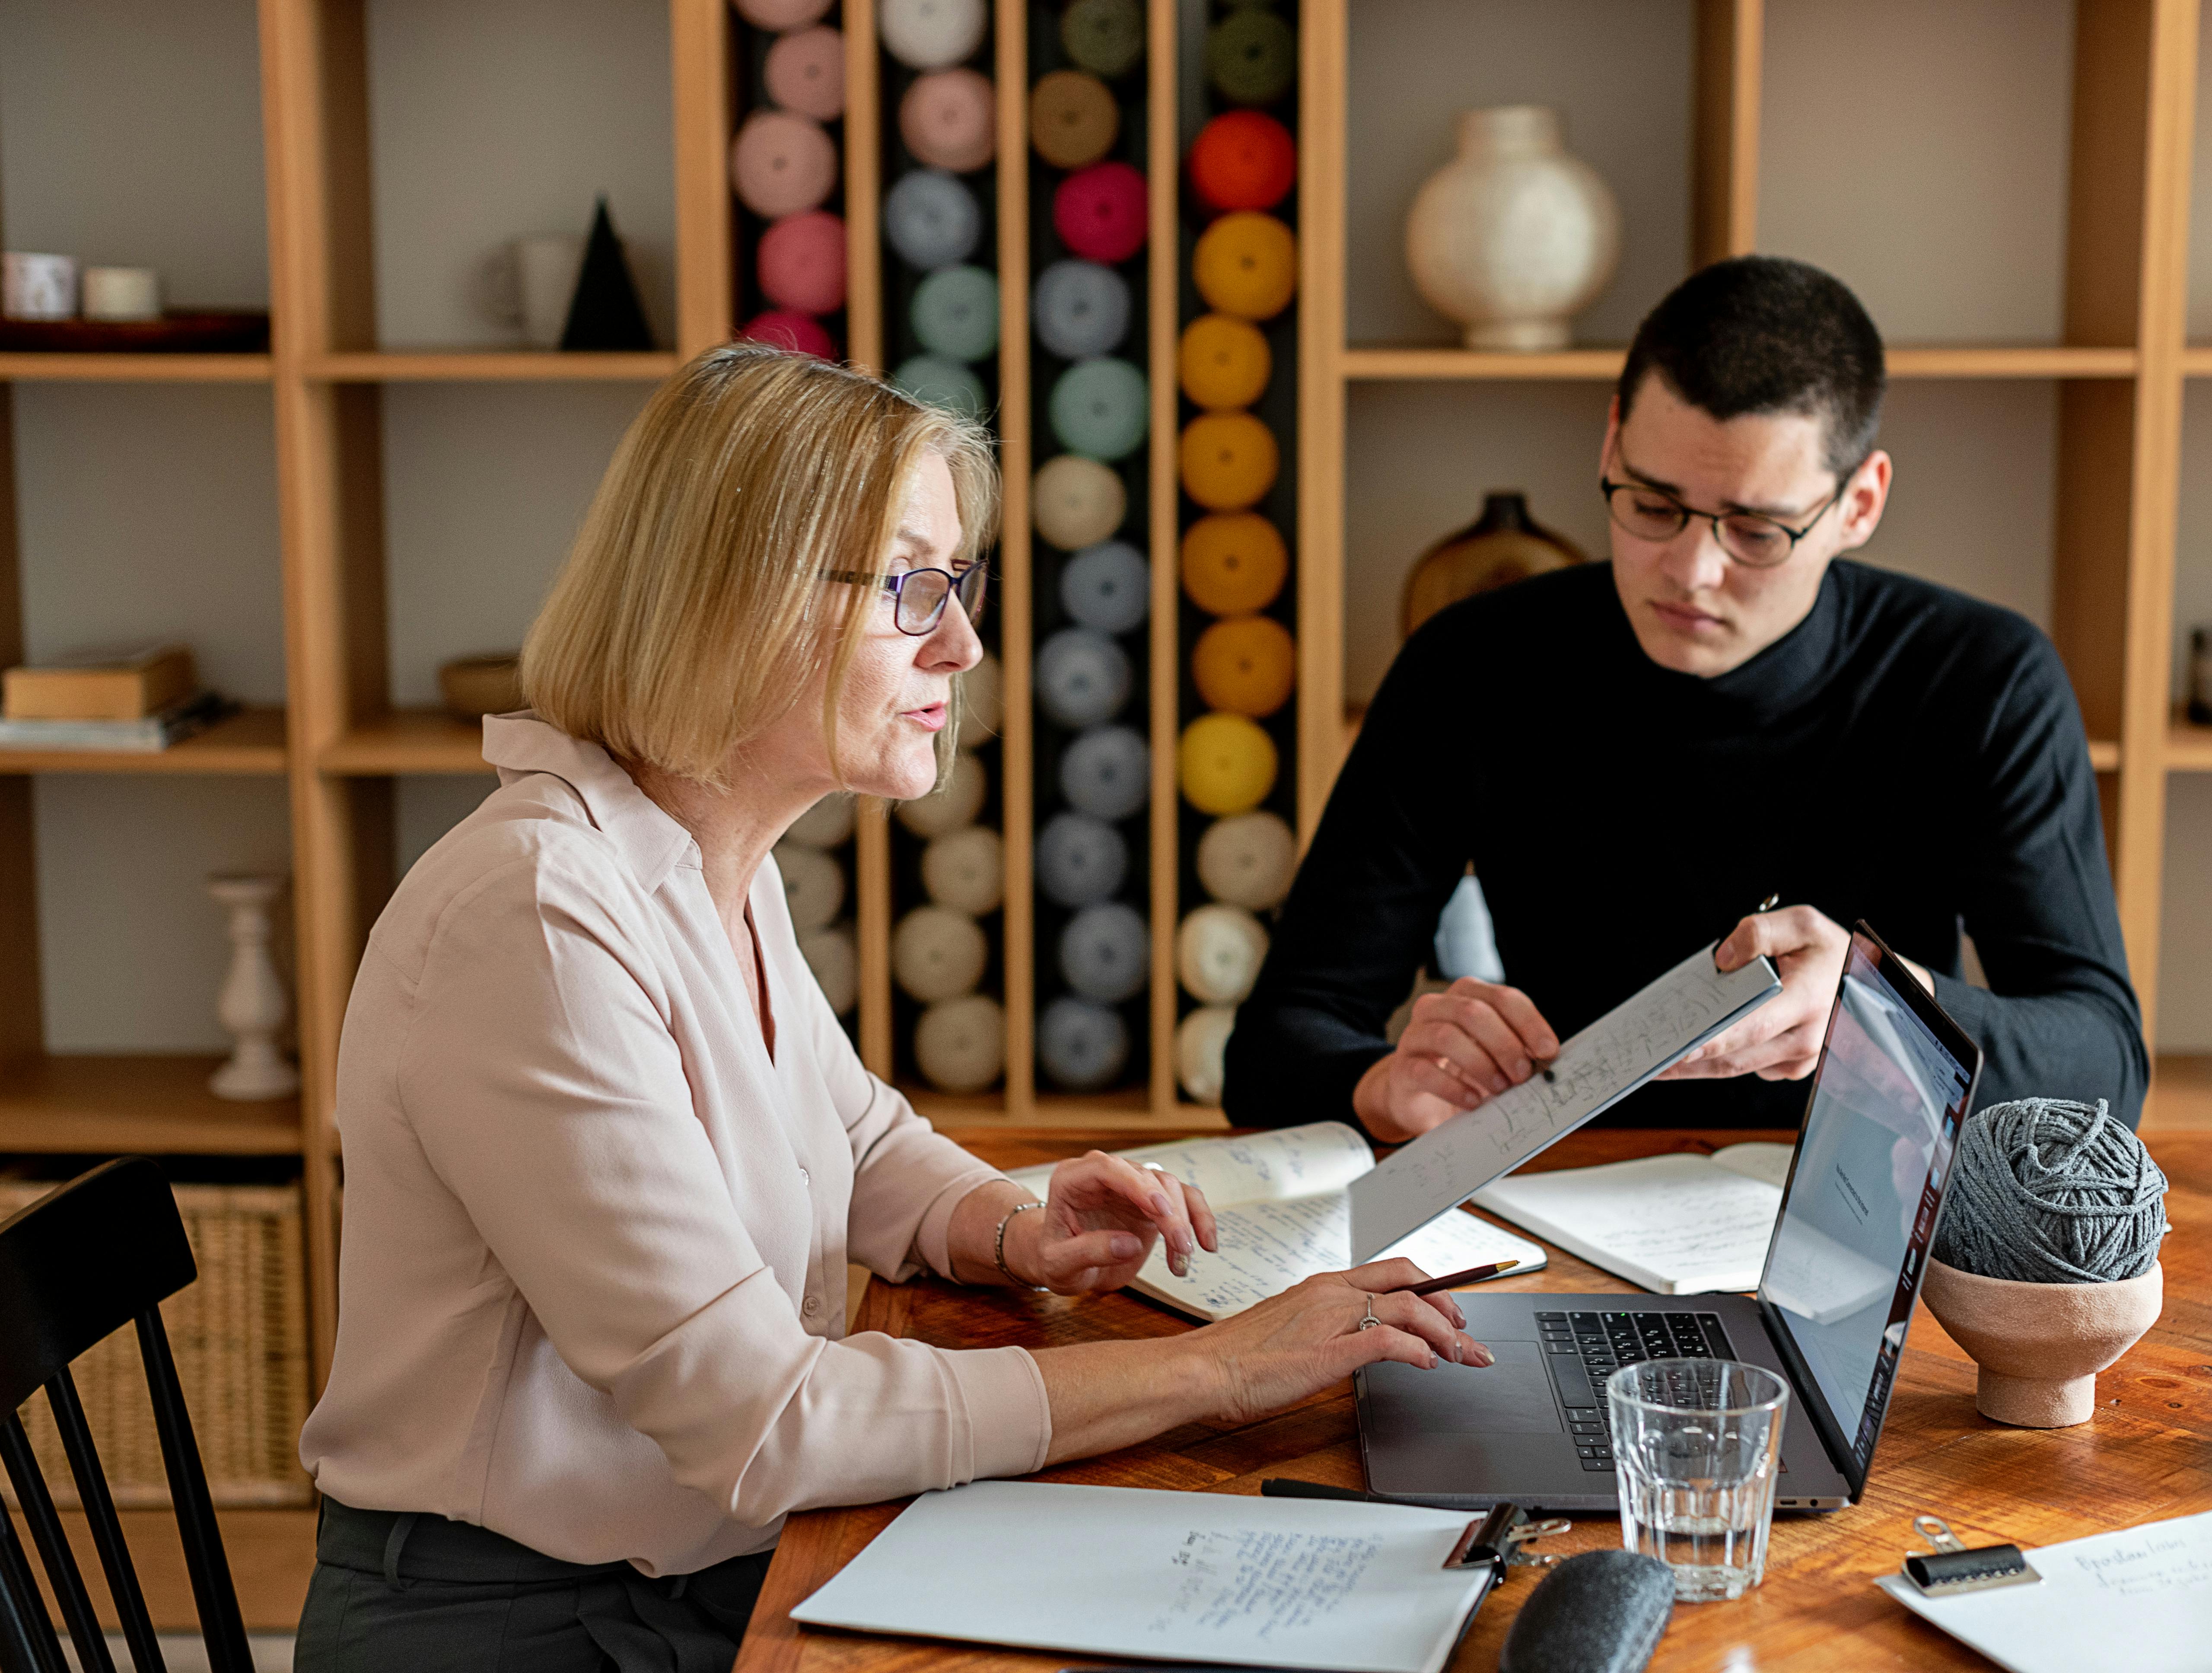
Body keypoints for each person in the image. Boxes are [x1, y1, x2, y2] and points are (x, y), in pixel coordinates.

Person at [296, 346, 1489, 1672]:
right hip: (514, 1630)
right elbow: (765, 1420)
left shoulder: (700, 859)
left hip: (691, 1577)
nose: (962, 643)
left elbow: (855, 1138)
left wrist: (1013, 1226)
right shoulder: (537, 914)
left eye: (956, 583)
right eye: (911, 585)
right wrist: (1221, 1372)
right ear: (733, 600)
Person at [1225, 256, 2147, 1143]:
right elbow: (1272, 1045)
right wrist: (1381, 1085)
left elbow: (2104, 1060)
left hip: (1866, 1213)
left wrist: (1882, 1002)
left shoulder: (1979, 678)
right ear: (1611, 439)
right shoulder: (1472, 664)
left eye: (1754, 529)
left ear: (1857, 504)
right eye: (1652, 506)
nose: (1691, 573)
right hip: (1555, 1190)